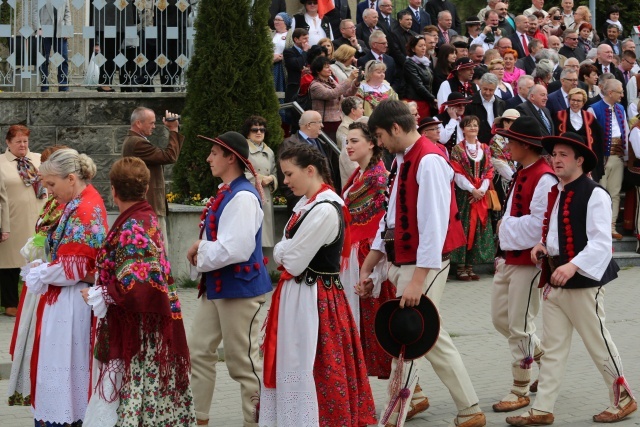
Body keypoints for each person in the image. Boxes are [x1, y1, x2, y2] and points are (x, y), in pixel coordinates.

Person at [358, 100, 485, 427]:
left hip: (422, 264)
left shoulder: (427, 160)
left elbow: (434, 225)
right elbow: (392, 215)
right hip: (407, 260)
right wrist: (373, 260)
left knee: (408, 337)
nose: (380, 143)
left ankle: (394, 414)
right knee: (431, 336)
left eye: (381, 136)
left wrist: (417, 281)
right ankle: (469, 409)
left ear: (396, 129)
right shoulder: (404, 158)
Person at [506, 132, 637, 426]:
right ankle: (543, 409)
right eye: (554, 155)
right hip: (554, 280)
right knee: (552, 349)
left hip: (583, 284)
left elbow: (602, 244)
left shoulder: (596, 194)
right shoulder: (558, 191)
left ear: (580, 160)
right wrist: (542, 246)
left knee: (598, 343)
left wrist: (573, 266)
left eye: (563, 155)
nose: (556, 160)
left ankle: (624, 399)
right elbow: (555, 233)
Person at [261, 142, 377, 426]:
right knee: (294, 359)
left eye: (289, 174)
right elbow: (283, 250)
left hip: (314, 299)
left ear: (310, 170)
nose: (285, 182)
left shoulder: (325, 209)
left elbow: (293, 260)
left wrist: (283, 251)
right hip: (299, 296)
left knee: (310, 361)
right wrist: (284, 251)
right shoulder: (306, 204)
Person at [83, 157, 195, 426]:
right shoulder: (143, 217)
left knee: (136, 392)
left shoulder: (134, 224)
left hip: (140, 330)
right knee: (145, 394)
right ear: (145, 189)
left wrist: (101, 294)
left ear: (112, 190)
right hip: (146, 323)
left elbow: (137, 288)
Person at [186, 131, 272, 427]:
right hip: (218, 287)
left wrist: (200, 250)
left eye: (214, 153)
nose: (209, 158)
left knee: (243, 363)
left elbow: (237, 248)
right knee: (198, 350)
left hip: (240, 290)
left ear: (231, 158)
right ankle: (199, 418)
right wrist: (202, 252)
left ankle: (256, 421)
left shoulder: (243, 196)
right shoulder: (227, 192)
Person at [25, 148, 108, 426]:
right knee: (62, 369)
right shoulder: (77, 202)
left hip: (73, 302)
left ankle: (66, 418)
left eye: (51, 184)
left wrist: (42, 273)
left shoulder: (84, 208)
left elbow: (73, 268)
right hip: (66, 298)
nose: (48, 191)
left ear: (71, 178)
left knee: (64, 368)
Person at [490, 117, 557, 413]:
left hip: (528, 262)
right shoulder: (523, 171)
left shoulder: (544, 176)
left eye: (512, 141)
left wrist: (504, 227)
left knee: (518, 325)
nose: (508, 146)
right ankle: (540, 354)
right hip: (509, 257)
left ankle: (520, 388)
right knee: (500, 319)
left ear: (526, 145)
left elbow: (538, 226)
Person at [7, 145, 67, 407]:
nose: (45, 182)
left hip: (52, 277)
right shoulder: (54, 200)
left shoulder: (66, 203)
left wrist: (40, 247)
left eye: (49, 178)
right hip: (41, 274)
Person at [339, 121, 395, 379]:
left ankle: (409, 388)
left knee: (378, 323)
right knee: (363, 322)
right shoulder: (360, 174)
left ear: (371, 143)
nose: (348, 146)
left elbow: (384, 224)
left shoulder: (379, 178)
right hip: (354, 251)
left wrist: (375, 268)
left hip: (370, 254)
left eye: (354, 141)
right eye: (347, 141)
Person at [0, 125, 47, 318]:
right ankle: (10, 303)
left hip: (38, 217)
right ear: (8, 143)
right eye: (18, 141)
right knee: (9, 262)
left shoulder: (37, 159)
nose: (22, 144)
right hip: (13, 219)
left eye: (25, 141)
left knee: (37, 260)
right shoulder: (1, 163)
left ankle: (36, 299)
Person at [122, 107, 184, 248]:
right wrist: (173, 130)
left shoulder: (135, 141)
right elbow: (169, 156)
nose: (154, 126)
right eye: (151, 123)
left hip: (146, 206)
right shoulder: (137, 143)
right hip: (149, 207)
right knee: (159, 250)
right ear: (138, 123)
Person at [450, 115, 495, 281]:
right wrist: (472, 189)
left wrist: (481, 190)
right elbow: (457, 172)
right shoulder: (457, 149)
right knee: (464, 226)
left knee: (478, 229)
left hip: (480, 195)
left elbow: (489, 170)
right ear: (463, 128)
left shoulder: (485, 148)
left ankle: (471, 265)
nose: (473, 128)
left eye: (475, 125)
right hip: (465, 195)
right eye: (469, 126)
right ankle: (460, 266)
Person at [587, 79, 630, 240]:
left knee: (615, 192)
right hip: (601, 158)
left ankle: (611, 227)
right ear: (610, 92)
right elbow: (590, 136)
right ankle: (600, 227)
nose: (622, 95)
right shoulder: (594, 109)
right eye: (620, 91)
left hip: (617, 156)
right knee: (600, 193)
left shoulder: (620, 108)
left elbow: (624, 131)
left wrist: (625, 156)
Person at [242, 116, 278, 248]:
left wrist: (272, 179)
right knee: (250, 237)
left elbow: (274, 173)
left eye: (262, 130)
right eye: (254, 129)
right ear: (247, 132)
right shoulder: (243, 149)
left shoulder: (270, 151)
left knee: (263, 238)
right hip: (251, 195)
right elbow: (239, 173)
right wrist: (259, 179)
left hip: (266, 198)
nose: (259, 132)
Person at [553, 88, 604, 180]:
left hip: (584, 159)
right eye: (573, 100)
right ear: (569, 100)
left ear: (583, 102)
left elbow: (597, 140)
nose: (575, 103)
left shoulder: (590, 117)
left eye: (578, 101)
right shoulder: (559, 116)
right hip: (566, 158)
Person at [309, 56, 360, 142]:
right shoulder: (315, 86)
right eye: (326, 67)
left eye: (329, 66)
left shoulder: (332, 81)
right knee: (330, 148)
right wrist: (350, 79)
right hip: (325, 123)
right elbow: (333, 94)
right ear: (318, 70)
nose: (330, 69)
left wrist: (356, 82)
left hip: (338, 120)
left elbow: (347, 93)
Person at [34, 0, 71, 92]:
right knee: (44, 59)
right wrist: (38, 28)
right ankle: (44, 86)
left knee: (63, 58)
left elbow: (67, 12)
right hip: (45, 29)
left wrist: (68, 29)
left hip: (60, 31)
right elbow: (35, 11)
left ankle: (63, 86)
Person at [403, 35, 437, 119]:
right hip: (416, 101)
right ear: (413, 49)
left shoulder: (425, 62)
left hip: (426, 100)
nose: (423, 48)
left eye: (424, 45)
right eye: (420, 46)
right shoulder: (409, 63)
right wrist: (432, 98)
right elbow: (418, 84)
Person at [489, 109, 519, 202]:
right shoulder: (496, 140)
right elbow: (500, 164)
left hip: (515, 179)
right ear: (505, 123)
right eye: (513, 123)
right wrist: (514, 178)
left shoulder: (517, 140)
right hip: (503, 181)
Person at [337, 97, 364, 184]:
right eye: (360, 108)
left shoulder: (361, 123)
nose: (363, 110)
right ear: (353, 110)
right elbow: (347, 152)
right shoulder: (344, 127)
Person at [272, 12, 291, 98]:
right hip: (270, 64)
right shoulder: (270, 34)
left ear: (285, 22)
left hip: (282, 67)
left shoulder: (290, 35)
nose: (276, 22)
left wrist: (281, 57)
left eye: (279, 20)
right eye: (275, 20)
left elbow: (292, 50)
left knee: (280, 91)